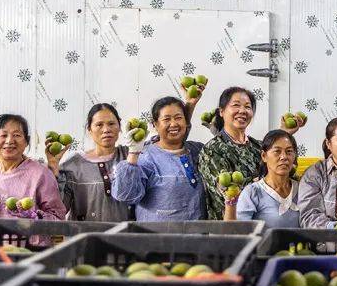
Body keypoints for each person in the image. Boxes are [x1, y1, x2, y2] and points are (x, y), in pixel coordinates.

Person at [198, 86, 305, 221]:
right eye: (236, 105)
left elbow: (288, 176)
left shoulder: (258, 146)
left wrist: (284, 135)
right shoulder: (212, 150)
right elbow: (228, 192)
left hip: (269, 224)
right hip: (231, 229)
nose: (242, 111)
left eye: (248, 107)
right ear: (222, 111)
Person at [0, 113, 67, 224]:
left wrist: (34, 218)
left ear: (26, 142)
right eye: (3, 135)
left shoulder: (41, 174)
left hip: (30, 242)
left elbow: (58, 219)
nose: (9, 141)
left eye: (17, 135)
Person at [111, 96, 205, 221]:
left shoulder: (197, 150)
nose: (173, 124)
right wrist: (133, 153)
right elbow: (126, 196)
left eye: (178, 118)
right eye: (166, 119)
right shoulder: (146, 157)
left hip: (197, 237)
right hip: (157, 238)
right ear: (155, 124)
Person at [46, 103, 133, 222]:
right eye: (99, 125)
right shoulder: (73, 165)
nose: (106, 130)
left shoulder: (129, 156)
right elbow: (58, 210)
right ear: (89, 129)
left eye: (111, 124)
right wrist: (53, 167)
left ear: (119, 125)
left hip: (125, 237)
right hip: (84, 237)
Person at [223, 129, 302, 225]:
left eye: (289, 151)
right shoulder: (252, 192)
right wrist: (230, 204)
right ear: (264, 156)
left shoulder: (303, 190)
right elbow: (236, 231)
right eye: (277, 151)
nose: (284, 157)